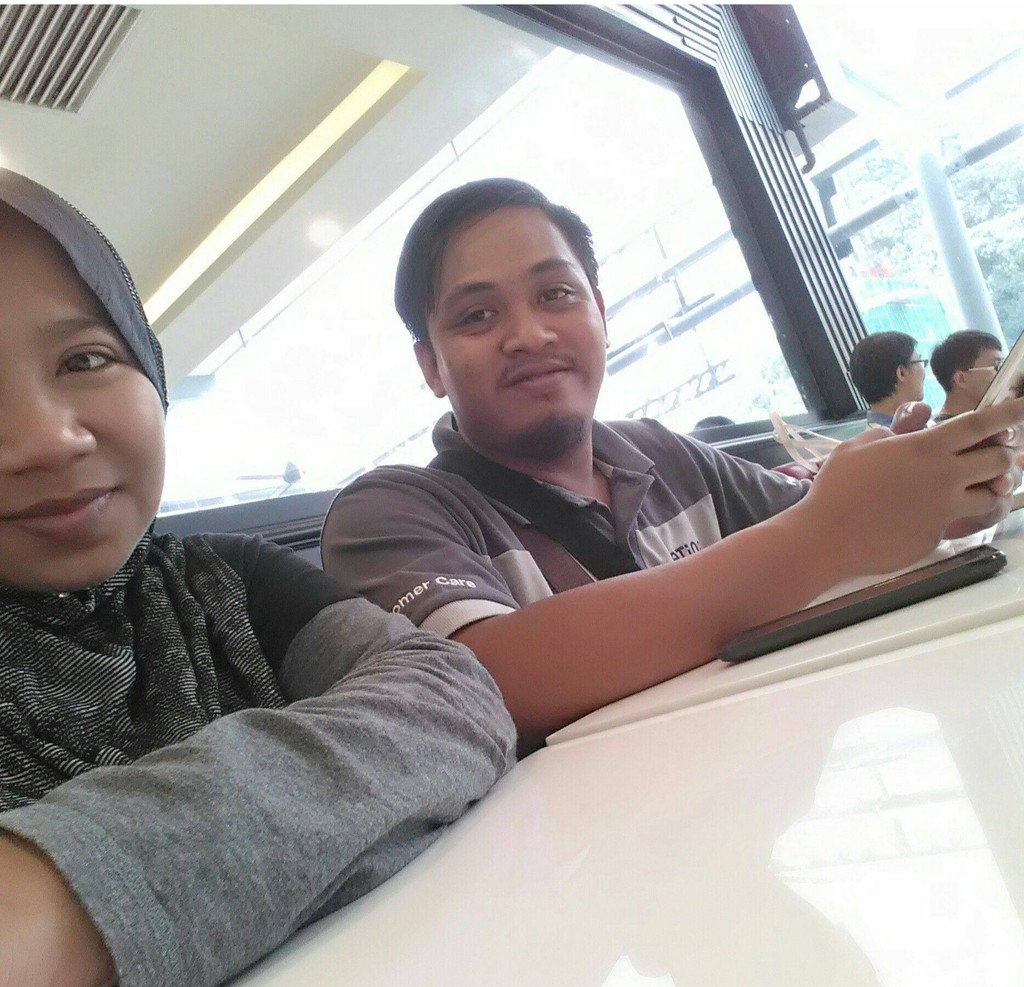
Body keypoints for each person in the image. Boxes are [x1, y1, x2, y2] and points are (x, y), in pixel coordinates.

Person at [0, 170, 516, 987]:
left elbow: (452, 695)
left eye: (84, 359)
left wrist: (63, 894)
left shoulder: (221, 581)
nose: (49, 439)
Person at [321, 177, 1024, 754]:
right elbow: (484, 680)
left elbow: (831, 535)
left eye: (556, 295)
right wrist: (832, 534)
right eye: (477, 316)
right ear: (430, 365)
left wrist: (936, 495)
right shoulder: (387, 514)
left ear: (599, 312)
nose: (528, 334)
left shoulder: (660, 453)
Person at [848, 330, 927, 427]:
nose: (924, 373)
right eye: (920, 362)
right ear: (901, 373)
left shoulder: (873, 432)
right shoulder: (902, 434)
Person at [930, 329, 1004, 421]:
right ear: (961, 379)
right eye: (997, 367)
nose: (1004, 373)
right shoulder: (950, 429)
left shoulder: (987, 420)